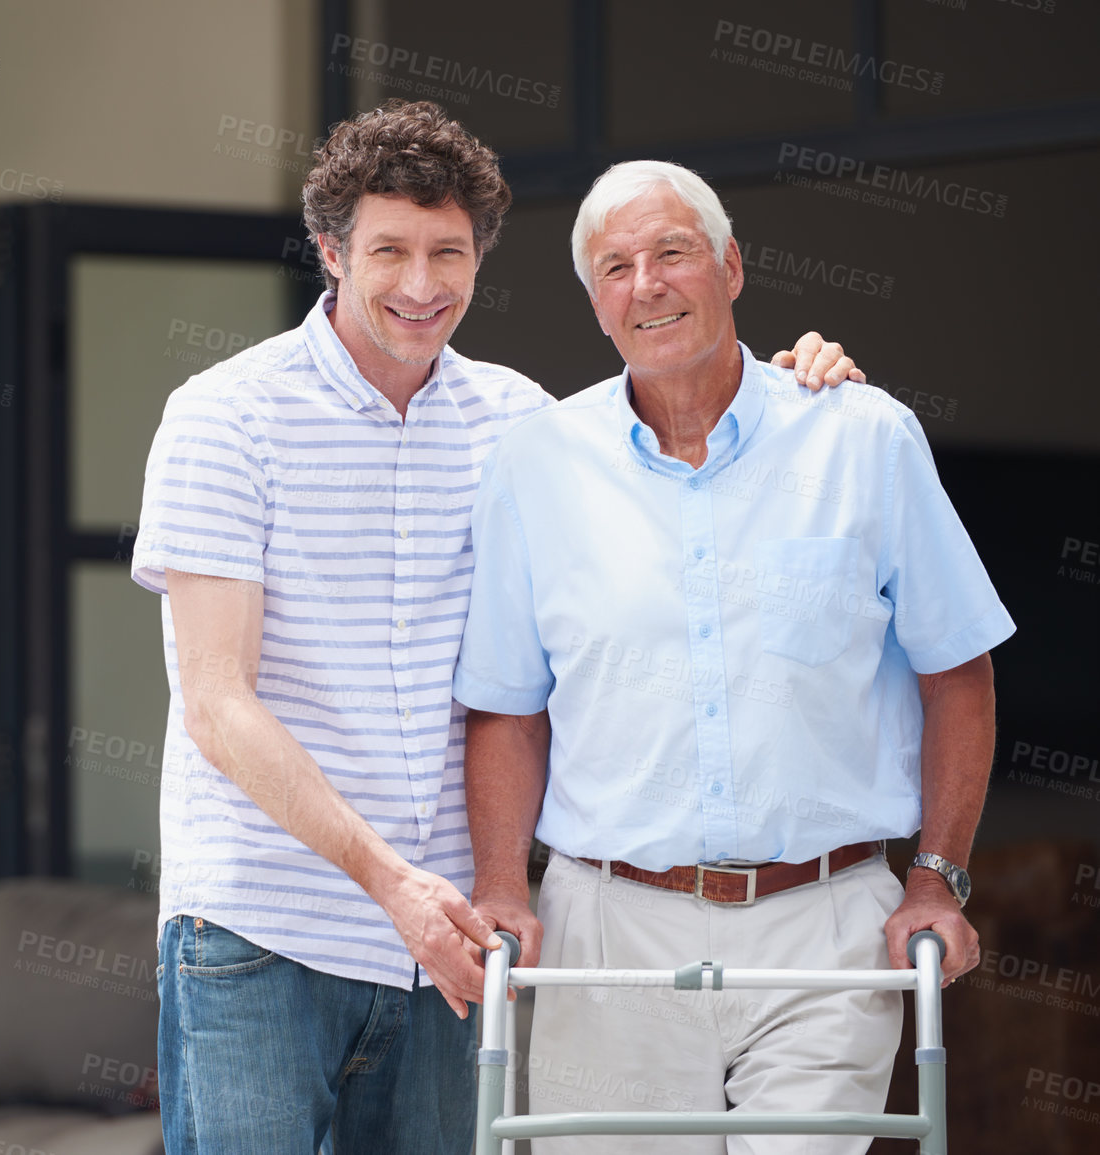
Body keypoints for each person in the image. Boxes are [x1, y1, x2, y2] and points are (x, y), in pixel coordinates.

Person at [131, 103, 862, 1155]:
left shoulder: (524, 425)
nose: (423, 285)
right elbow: (216, 702)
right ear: (332, 252)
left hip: (456, 947)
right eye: (389, 251)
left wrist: (800, 387)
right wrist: (394, 884)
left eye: (449, 253)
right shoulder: (224, 418)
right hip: (264, 929)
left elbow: (679, 469)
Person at [451, 159, 1014, 1154]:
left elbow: (957, 671)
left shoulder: (864, 436)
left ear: (733, 266)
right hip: (607, 931)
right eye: (616, 267)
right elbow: (508, 703)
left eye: (673, 252)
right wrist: (502, 884)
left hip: (826, 926)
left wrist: (936, 879)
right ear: (595, 305)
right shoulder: (535, 464)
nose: (648, 284)